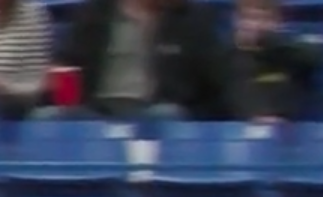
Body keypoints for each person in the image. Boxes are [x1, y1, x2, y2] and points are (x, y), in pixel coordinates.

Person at [47, 0, 237, 120]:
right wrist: (67, 102)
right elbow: (66, 62)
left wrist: (254, 112)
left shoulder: (192, 19)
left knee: (166, 114)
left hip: (153, 111)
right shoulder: (95, 12)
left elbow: (222, 76)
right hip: (96, 111)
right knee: (46, 117)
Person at [230, 0, 323, 121]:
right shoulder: (227, 58)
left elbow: (315, 56)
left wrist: (267, 43)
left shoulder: (290, 53)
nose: (256, 25)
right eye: (250, 18)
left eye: (265, 19)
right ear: (236, 21)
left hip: (289, 130)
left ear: (278, 22)